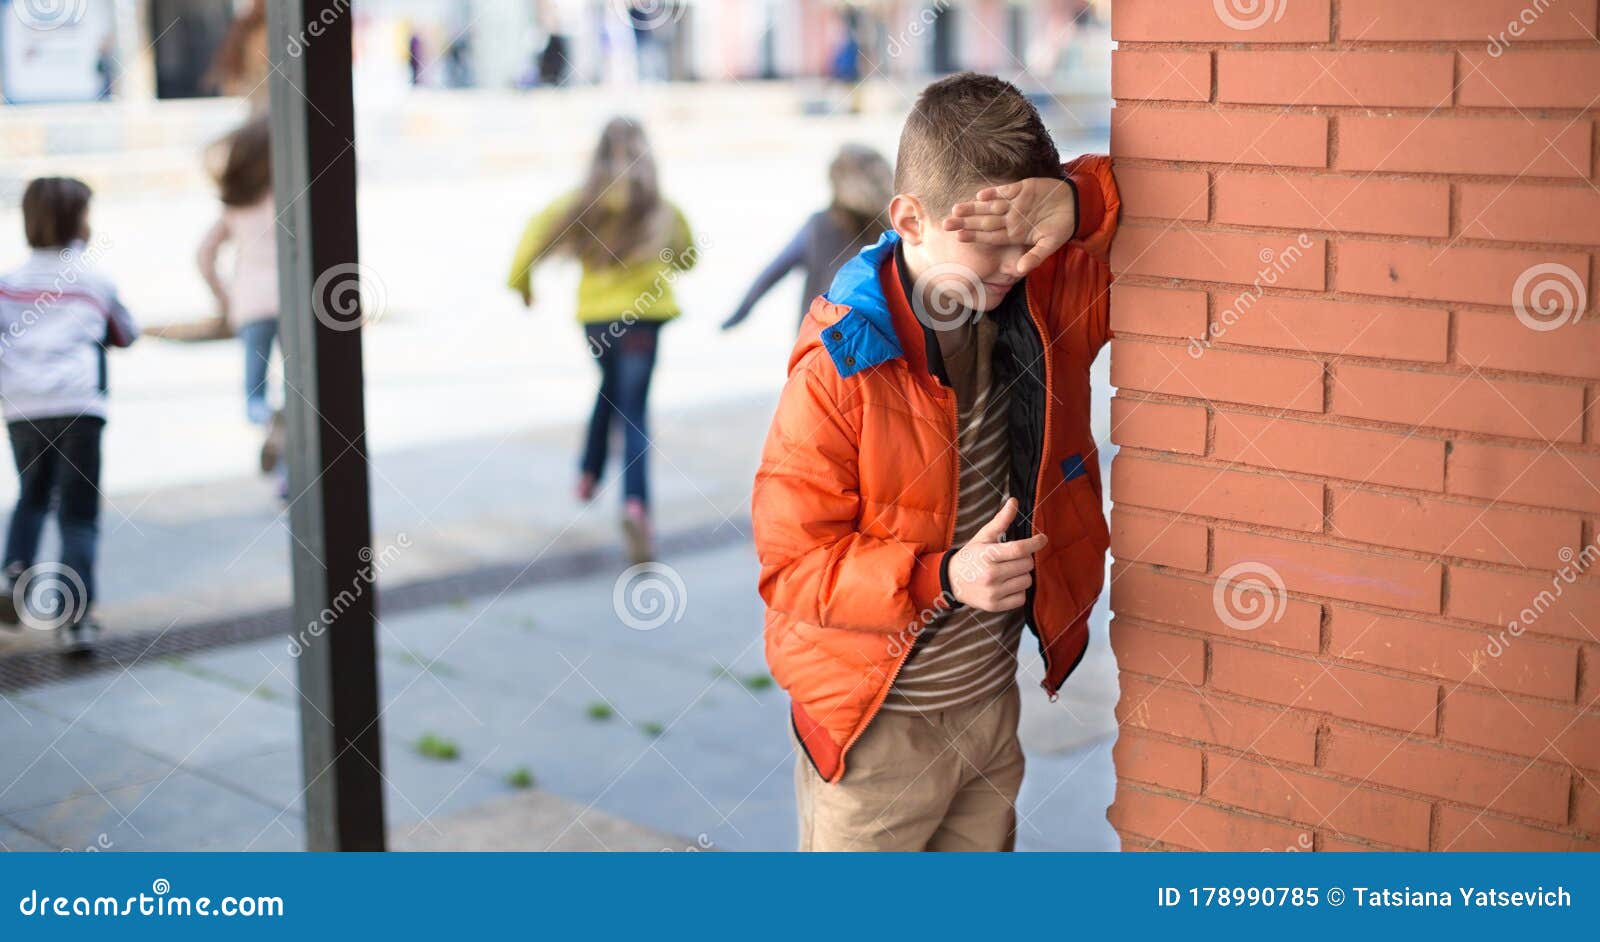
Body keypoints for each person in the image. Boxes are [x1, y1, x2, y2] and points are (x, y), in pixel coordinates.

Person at [751, 73, 1120, 851]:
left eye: (1030, 238)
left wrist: (1074, 204)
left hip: (989, 713)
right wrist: (941, 578)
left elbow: (1173, 204)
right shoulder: (838, 368)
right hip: (879, 737)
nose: (1017, 265)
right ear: (909, 219)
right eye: (989, 245)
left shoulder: (1036, 294)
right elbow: (790, 567)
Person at [506, 117, 696, 564]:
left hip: (596, 324)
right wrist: (664, 256)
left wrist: (523, 285)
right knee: (633, 410)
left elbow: (531, 238)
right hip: (643, 324)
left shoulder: (579, 205)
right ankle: (635, 504)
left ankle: (588, 474)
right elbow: (688, 257)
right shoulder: (661, 210)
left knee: (611, 389)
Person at [0, 178, 140, 651]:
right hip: (80, 406)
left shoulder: (9, 284)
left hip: (24, 407)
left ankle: (13, 571)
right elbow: (124, 331)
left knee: (32, 497)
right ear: (80, 221)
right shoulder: (93, 280)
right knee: (78, 516)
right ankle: (76, 620)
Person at [721, 144, 891, 334]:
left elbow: (773, 271)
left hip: (815, 344)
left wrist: (739, 313)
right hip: (873, 344)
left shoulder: (819, 225)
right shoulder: (894, 231)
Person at [197, 115, 279, 429]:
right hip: (293, 302)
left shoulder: (237, 207)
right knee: (299, 390)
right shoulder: (288, 200)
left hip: (251, 305)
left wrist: (224, 298)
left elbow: (204, 255)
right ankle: (286, 443)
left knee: (254, 394)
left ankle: (268, 426)